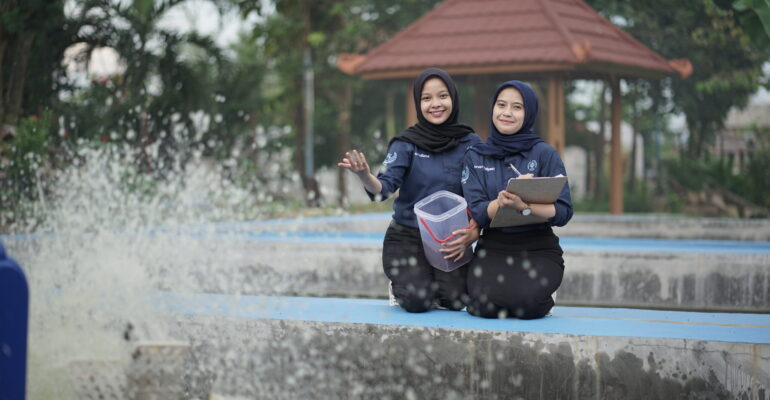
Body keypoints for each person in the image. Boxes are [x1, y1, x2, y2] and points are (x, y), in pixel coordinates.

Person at [338, 67, 481, 313]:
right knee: (417, 301)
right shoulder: (406, 144)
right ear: (418, 103)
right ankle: (403, 284)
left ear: (453, 99)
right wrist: (365, 175)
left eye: (442, 96)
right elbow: (383, 190)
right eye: (427, 98)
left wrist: (474, 231)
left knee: (456, 301)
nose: (435, 104)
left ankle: (433, 279)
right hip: (408, 237)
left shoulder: (471, 143)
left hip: (449, 240)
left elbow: (481, 195)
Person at [460, 80, 573, 319]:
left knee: (528, 306)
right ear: (492, 109)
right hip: (493, 245)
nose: (507, 113)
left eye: (517, 107)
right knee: (483, 308)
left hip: (538, 246)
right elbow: (478, 212)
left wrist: (526, 206)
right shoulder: (476, 155)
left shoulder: (544, 153)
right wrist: (500, 203)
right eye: (501, 105)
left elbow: (564, 212)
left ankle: (546, 296)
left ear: (529, 112)